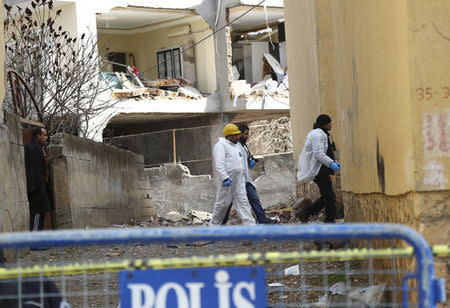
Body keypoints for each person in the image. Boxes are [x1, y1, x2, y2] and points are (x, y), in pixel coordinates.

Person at [222, 124, 278, 224]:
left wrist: (250, 160)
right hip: (236, 180)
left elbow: (245, 159)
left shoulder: (244, 146)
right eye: (246, 134)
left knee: (253, 198)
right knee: (228, 204)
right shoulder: (235, 147)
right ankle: (219, 225)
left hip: (245, 179)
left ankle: (261, 219)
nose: (248, 136)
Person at [297, 114, 341, 223]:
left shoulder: (321, 133)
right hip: (318, 170)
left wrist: (333, 163)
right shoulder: (318, 135)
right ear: (325, 124)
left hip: (321, 169)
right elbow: (318, 153)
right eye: (330, 122)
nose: (331, 124)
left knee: (327, 196)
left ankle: (306, 213)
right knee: (330, 197)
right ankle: (329, 222)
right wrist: (331, 163)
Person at [209, 124, 256, 226]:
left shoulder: (237, 147)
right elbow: (219, 163)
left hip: (239, 181)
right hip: (227, 182)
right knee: (221, 206)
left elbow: (241, 163)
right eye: (234, 135)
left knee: (244, 205)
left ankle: (252, 230)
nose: (237, 137)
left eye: (237, 135)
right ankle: (212, 231)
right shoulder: (221, 145)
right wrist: (224, 177)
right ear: (228, 136)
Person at [25, 128, 51, 233]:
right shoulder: (32, 148)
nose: (46, 137)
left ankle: (38, 241)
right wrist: (36, 188)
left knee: (41, 213)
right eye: (44, 135)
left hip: (41, 187)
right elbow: (32, 170)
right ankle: (34, 241)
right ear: (38, 136)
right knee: (36, 213)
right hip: (35, 188)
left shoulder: (39, 148)